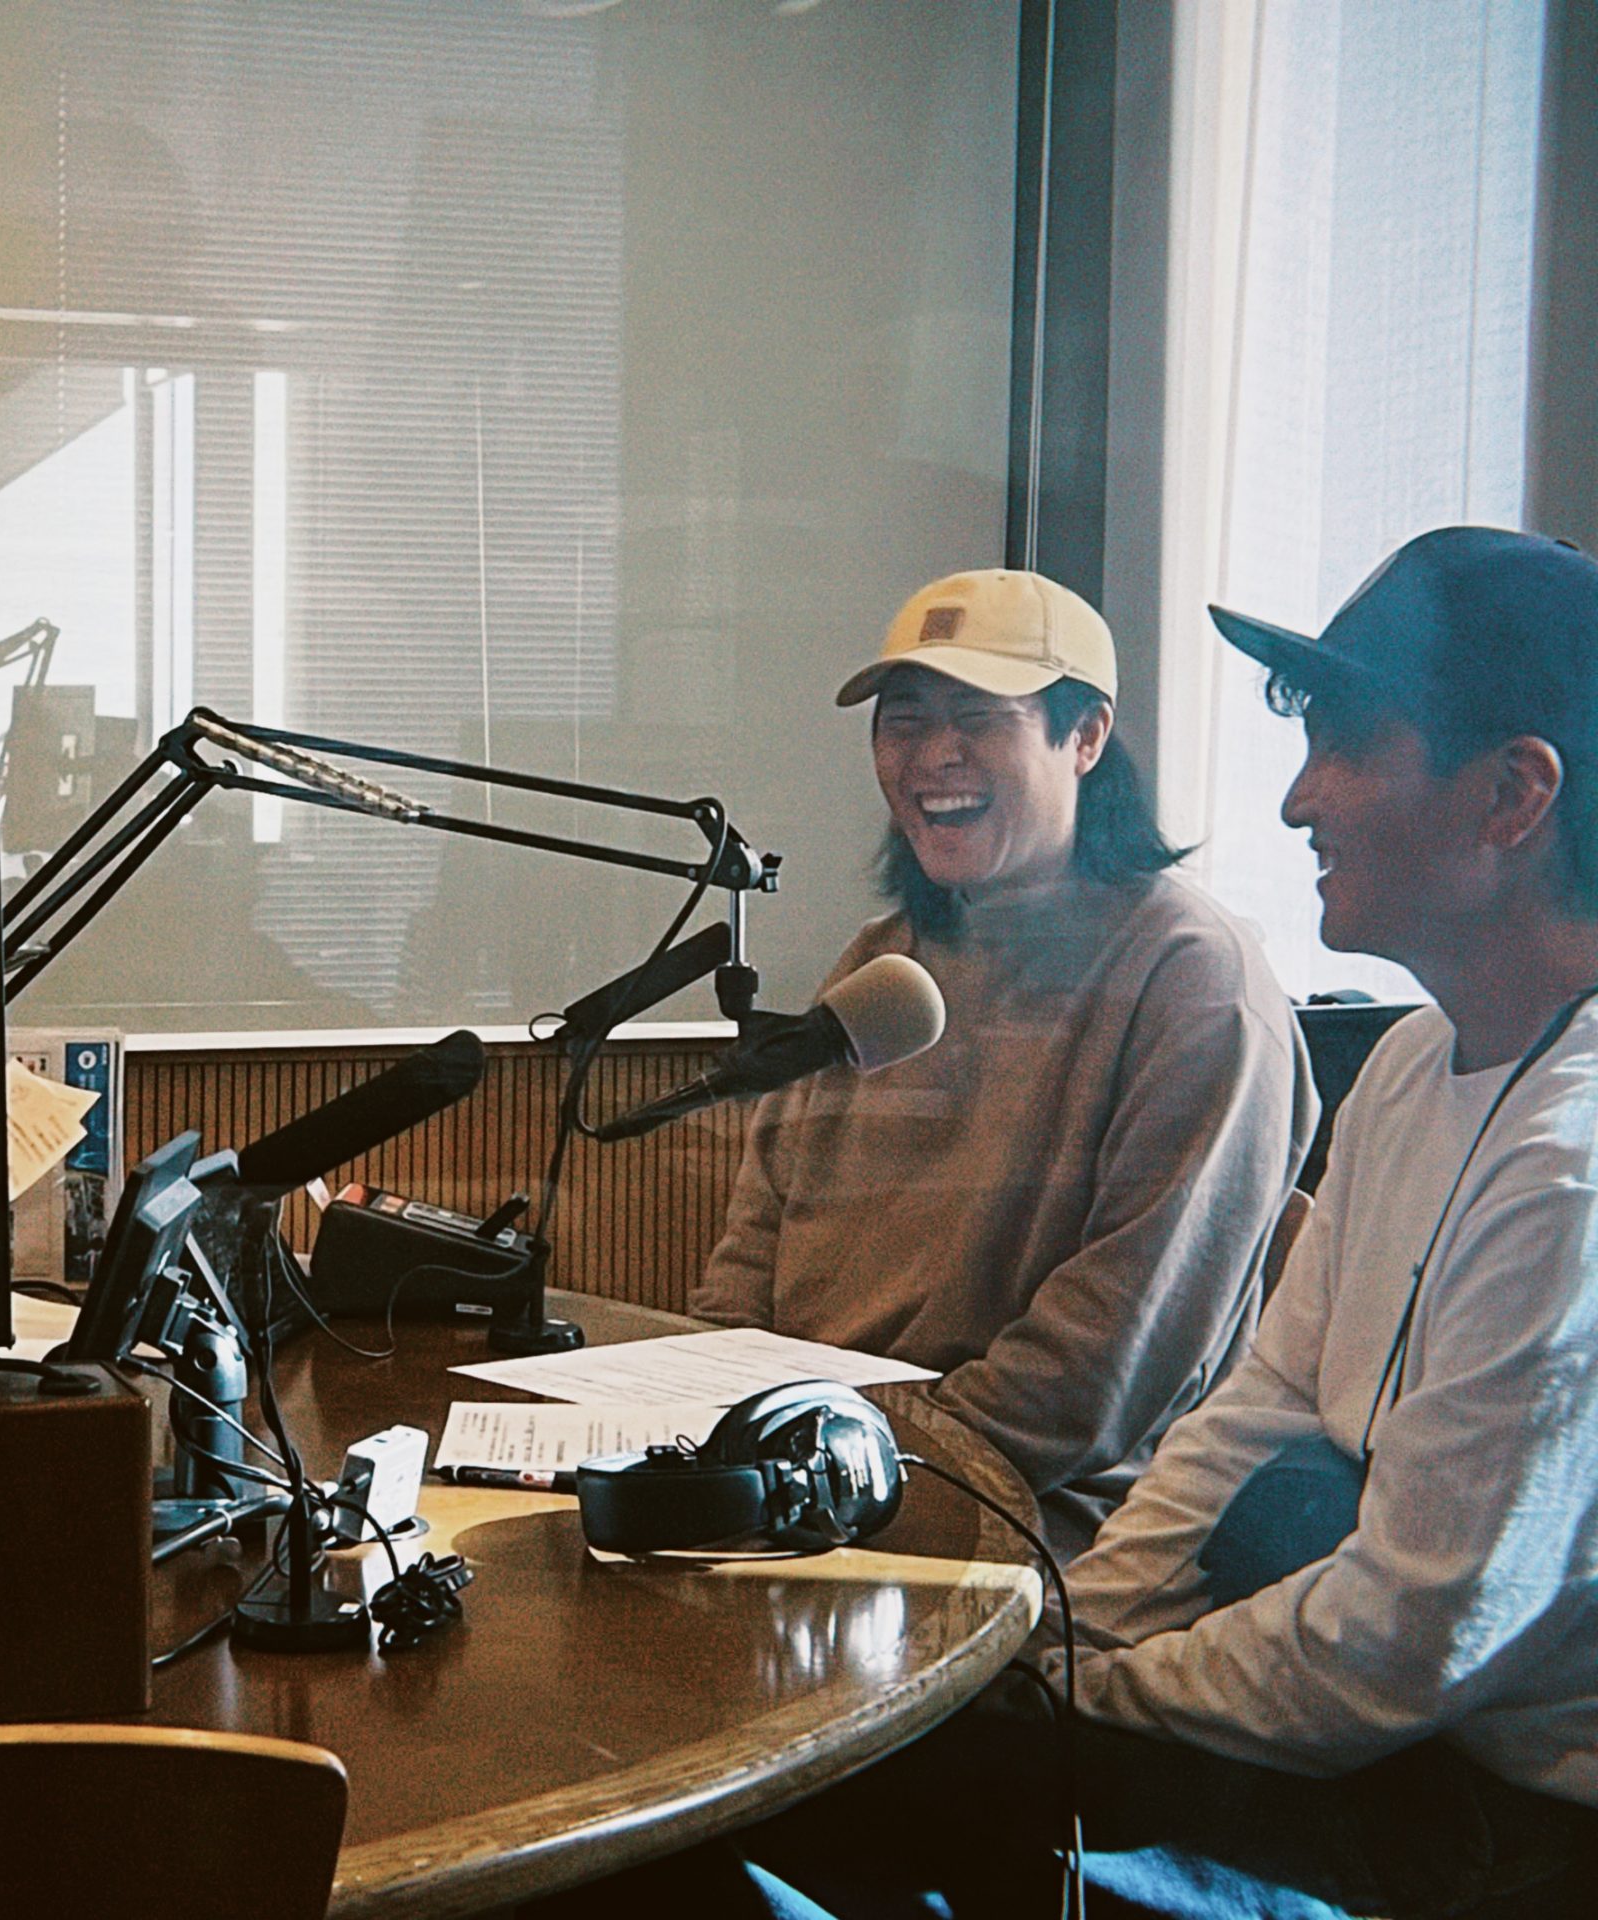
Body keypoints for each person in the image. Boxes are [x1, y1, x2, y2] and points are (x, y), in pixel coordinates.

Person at [685, 526, 1598, 1918]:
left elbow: (1409, 1643)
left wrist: (1080, 1689)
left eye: (1348, 746)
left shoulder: (1566, 1167)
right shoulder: (1421, 1060)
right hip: (1345, 1725)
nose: (1296, 798)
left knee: (814, 1823)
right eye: (906, 716)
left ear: (1512, 796)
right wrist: (1068, 1654)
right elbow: (1259, 1412)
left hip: (1492, 1821)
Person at [694, 569, 1313, 1555]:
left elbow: (1088, 1380)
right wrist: (715, 1429)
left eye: (980, 716)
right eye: (904, 720)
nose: (934, 754)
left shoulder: (1194, 981)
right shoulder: (879, 964)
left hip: (1024, 1513)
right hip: (807, 1479)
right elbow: (750, 1254)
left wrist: (832, 1467)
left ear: (1086, 736)